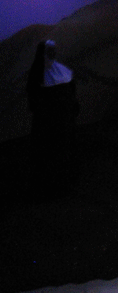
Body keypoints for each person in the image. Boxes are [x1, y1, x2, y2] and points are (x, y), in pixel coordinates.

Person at [25, 39, 80, 199]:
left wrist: (71, 107)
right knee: (48, 156)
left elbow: (71, 92)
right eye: (48, 51)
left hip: (62, 123)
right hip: (47, 125)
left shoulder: (61, 71)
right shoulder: (37, 73)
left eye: (52, 50)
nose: (52, 54)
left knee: (61, 154)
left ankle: (62, 186)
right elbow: (34, 99)